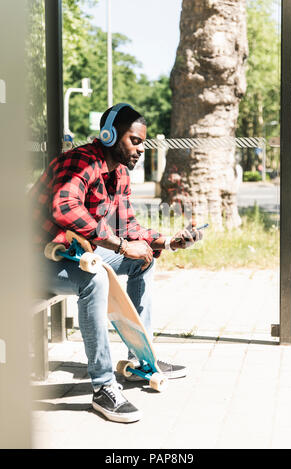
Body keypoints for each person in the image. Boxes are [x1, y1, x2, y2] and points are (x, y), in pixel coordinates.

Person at [30, 103, 202, 424]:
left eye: (143, 143)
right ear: (109, 135)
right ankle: (103, 385)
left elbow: (128, 228)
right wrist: (123, 247)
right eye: (134, 141)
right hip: (34, 257)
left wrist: (166, 241)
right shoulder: (80, 162)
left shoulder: (120, 173)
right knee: (94, 279)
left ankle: (140, 361)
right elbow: (63, 208)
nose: (140, 149)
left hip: (71, 253)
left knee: (144, 260)